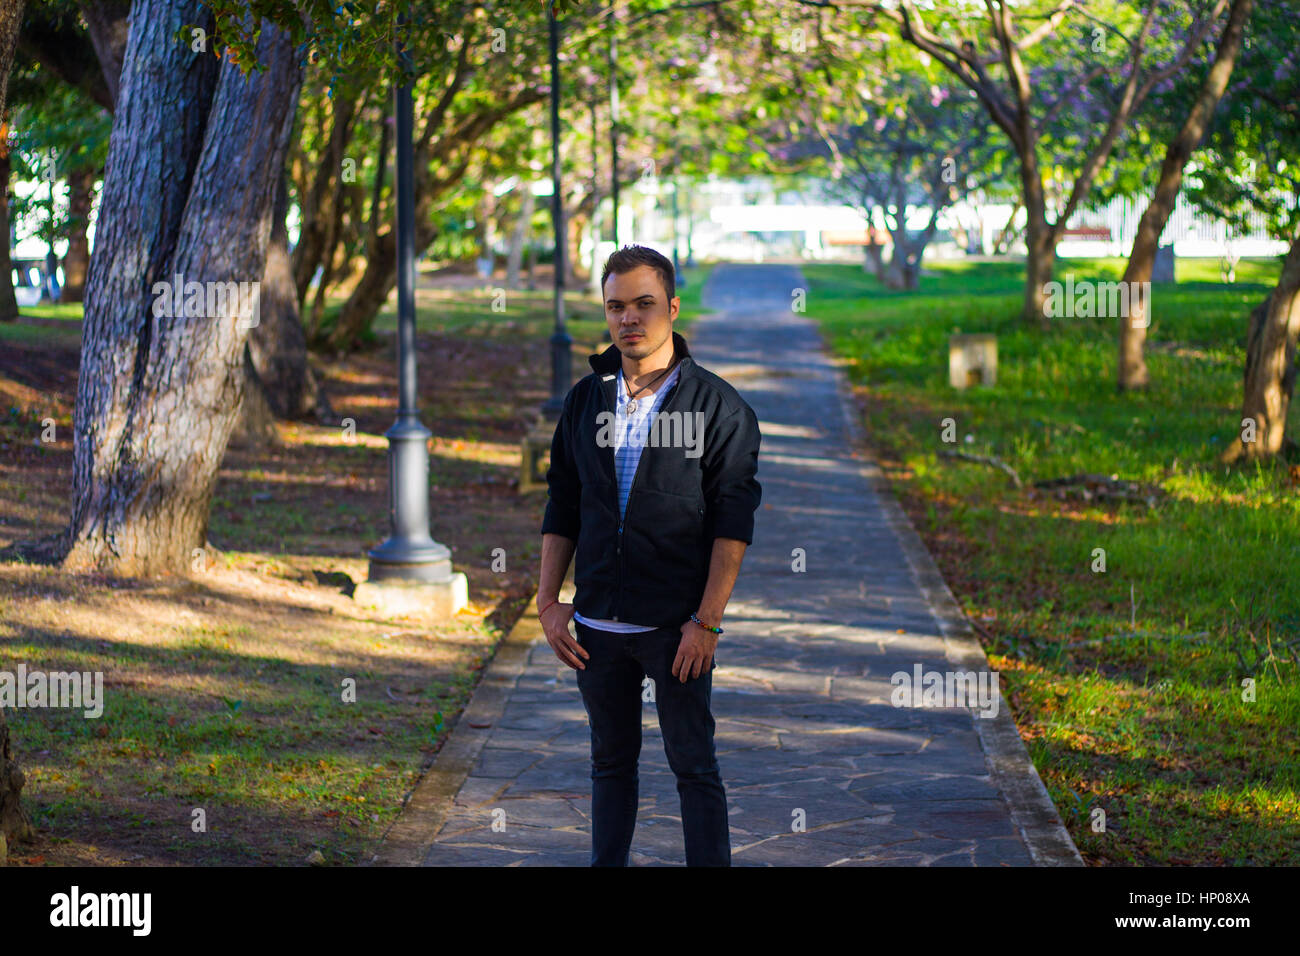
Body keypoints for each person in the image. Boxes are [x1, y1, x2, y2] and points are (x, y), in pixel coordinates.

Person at [535, 244, 762, 866]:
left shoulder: (718, 406)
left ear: (672, 307)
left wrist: (707, 621)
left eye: (643, 304)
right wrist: (548, 602)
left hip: (675, 630)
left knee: (694, 768)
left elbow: (732, 522)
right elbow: (563, 502)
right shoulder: (585, 400)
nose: (628, 319)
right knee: (609, 765)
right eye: (616, 307)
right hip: (595, 630)